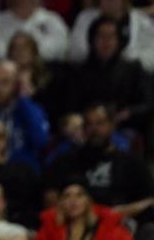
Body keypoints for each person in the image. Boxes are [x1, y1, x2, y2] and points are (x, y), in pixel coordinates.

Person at [46, 103, 154, 240]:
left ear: (112, 125)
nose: (94, 129)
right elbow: (50, 196)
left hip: (119, 224)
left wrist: (115, 213)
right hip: (74, 225)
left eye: (100, 123)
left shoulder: (131, 163)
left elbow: (149, 200)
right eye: (89, 125)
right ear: (84, 128)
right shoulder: (67, 160)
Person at [64, 15, 153, 132]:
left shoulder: (133, 70)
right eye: (101, 36)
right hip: (86, 130)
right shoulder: (79, 72)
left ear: (119, 40)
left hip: (124, 129)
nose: (106, 41)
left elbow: (148, 103)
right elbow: (70, 107)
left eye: (111, 36)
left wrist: (129, 113)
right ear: (92, 39)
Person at [70, 0, 154, 72]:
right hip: (92, 74)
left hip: (131, 76)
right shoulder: (85, 18)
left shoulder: (141, 21)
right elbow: (76, 51)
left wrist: (125, 61)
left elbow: (151, 54)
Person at [36, 178, 133, 240]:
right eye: (67, 196)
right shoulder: (50, 228)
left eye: (79, 195)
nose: (73, 201)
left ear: (88, 201)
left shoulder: (108, 226)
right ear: (61, 203)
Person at [6, 31, 63, 122]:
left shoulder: (48, 78)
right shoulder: (2, 78)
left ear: (34, 51)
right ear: (10, 53)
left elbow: (54, 109)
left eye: (25, 47)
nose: (20, 51)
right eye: (15, 48)